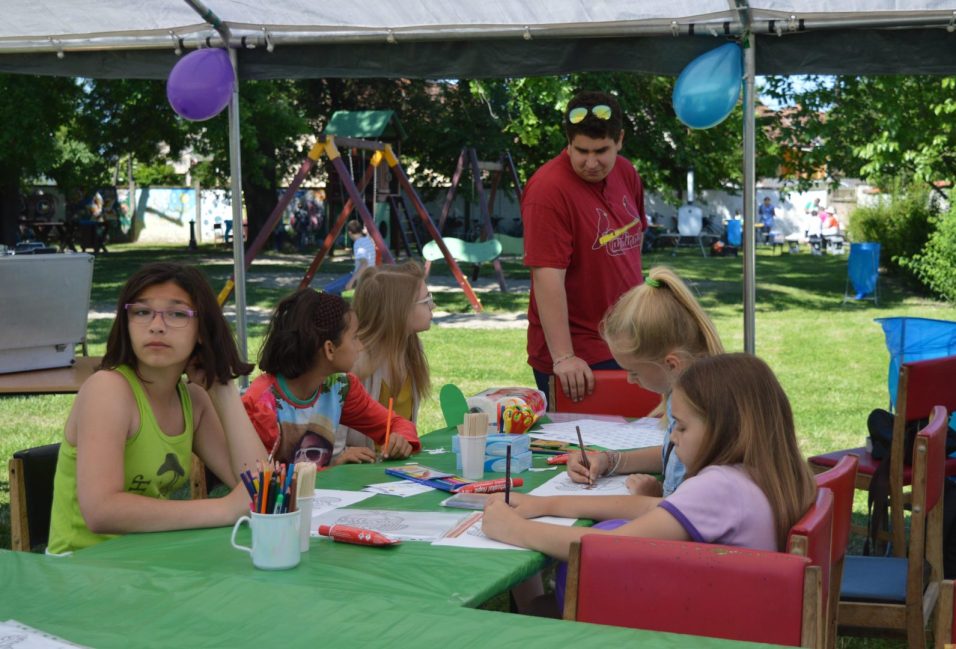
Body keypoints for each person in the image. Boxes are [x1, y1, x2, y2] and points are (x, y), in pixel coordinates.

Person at [482, 353, 817, 585]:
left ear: (726, 427)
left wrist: (514, 530)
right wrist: (545, 504)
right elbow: (652, 507)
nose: (672, 437)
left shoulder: (720, 486)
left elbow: (604, 548)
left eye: (681, 426)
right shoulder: (762, 473)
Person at [47, 263, 269, 554]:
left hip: (150, 561)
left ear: (202, 330)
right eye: (142, 312)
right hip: (81, 566)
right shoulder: (108, 390)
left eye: (177, 314)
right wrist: (224, 509)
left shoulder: (194, 401)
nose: (156, 325)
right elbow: (101, 510)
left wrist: (223, 389)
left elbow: (260, 488)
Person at [522, 90, 647, 407]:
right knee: (589, 441)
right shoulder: (548, 190)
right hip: (580, 355)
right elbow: (547, 277)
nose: (591, 163)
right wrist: (564, 357)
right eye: (581, 151)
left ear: (619, 140)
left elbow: (635, 243)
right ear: (568, 142)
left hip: (629, 341)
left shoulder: (626, 173)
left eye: (601, 150)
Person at [566, 266, 723, 499]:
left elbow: (694, 507)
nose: (630, 380)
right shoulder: (686, 393)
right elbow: (672, 454)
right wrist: (610, 460)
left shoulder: (705, 410)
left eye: (634, 372)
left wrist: (656, 498)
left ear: (672, 364)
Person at [242, 288, 421, 467]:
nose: (360, 346)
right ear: (329, 349)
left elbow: (396, 423)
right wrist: (333, 467)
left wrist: (400, 439)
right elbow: (260, 476)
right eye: (355, 338)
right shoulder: (261, 405)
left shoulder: (341, 387)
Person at [340, 262, 433, 455]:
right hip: (357, 466)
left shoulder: (410, 349)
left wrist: (405, 441)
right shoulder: (357, 359)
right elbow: (329, 417)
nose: (433, 305)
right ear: (400, 310)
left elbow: (405, 427)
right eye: (426, 300)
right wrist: (340, 453)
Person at [324, 220, 376, 295]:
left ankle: (337, 302)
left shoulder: (358, 243)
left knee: (328, 290)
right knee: (334, 289)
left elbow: (364, 264)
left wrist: (351, 281)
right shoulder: (368, 240)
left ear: (350, 233)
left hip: (360, 277)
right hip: (369, 275)